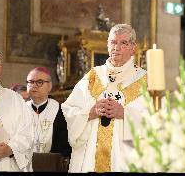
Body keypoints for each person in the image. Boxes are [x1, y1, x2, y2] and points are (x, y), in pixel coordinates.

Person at [61, 24, 148, 172]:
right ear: (108, 45)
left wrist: (124, 113)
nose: (117, 47)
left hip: (126, 158)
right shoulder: (94, 76)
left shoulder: (145, 80)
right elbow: (70, 109)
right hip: (90, 157)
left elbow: (158, 119)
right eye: (113, 42)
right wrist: (90, 113)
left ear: (133, 47)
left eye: (123, 43)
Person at [26, 67, 71, 159]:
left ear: (49, 86)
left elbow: (64, 146)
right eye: (30, 82)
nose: (34, 85)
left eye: (39, 82)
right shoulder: (20, 110)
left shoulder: (61, 111)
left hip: (51, 165)